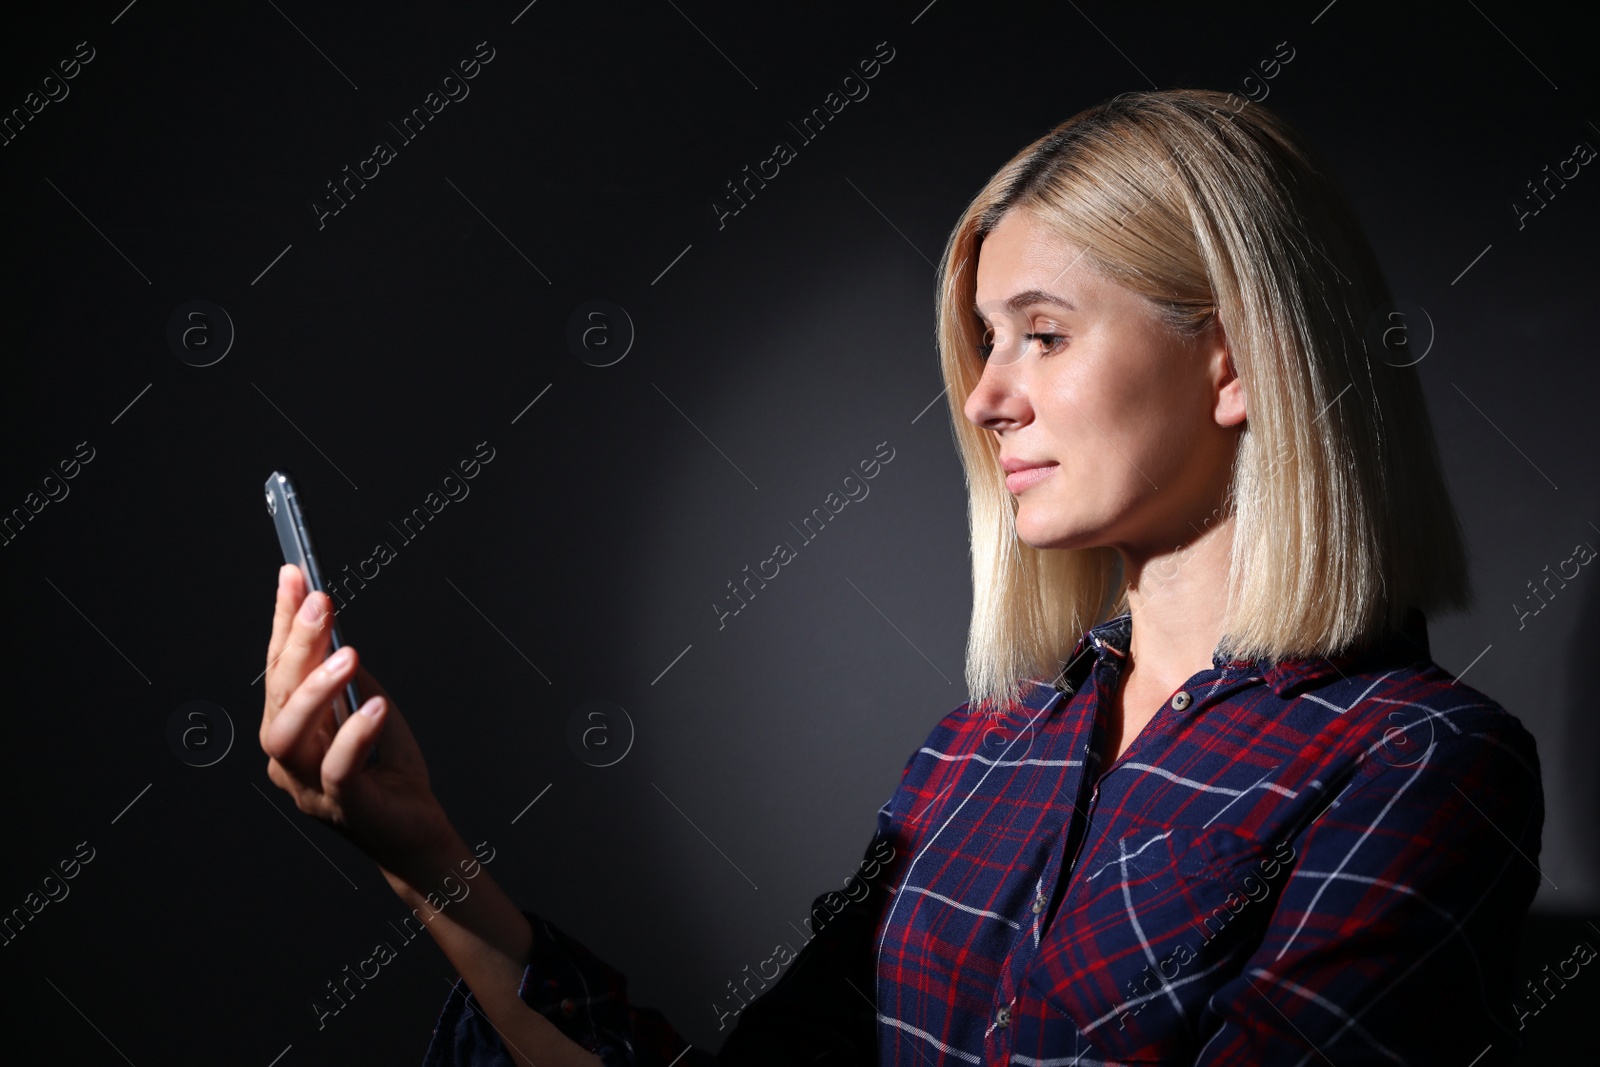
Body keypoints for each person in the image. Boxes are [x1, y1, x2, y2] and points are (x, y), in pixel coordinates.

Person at [258, 88, 1545, 1066]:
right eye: (986, 343)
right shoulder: (978, 753)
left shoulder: (1419, 766)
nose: (985, 395)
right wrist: (418, 849)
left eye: (1041, 332)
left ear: (1238, 361)